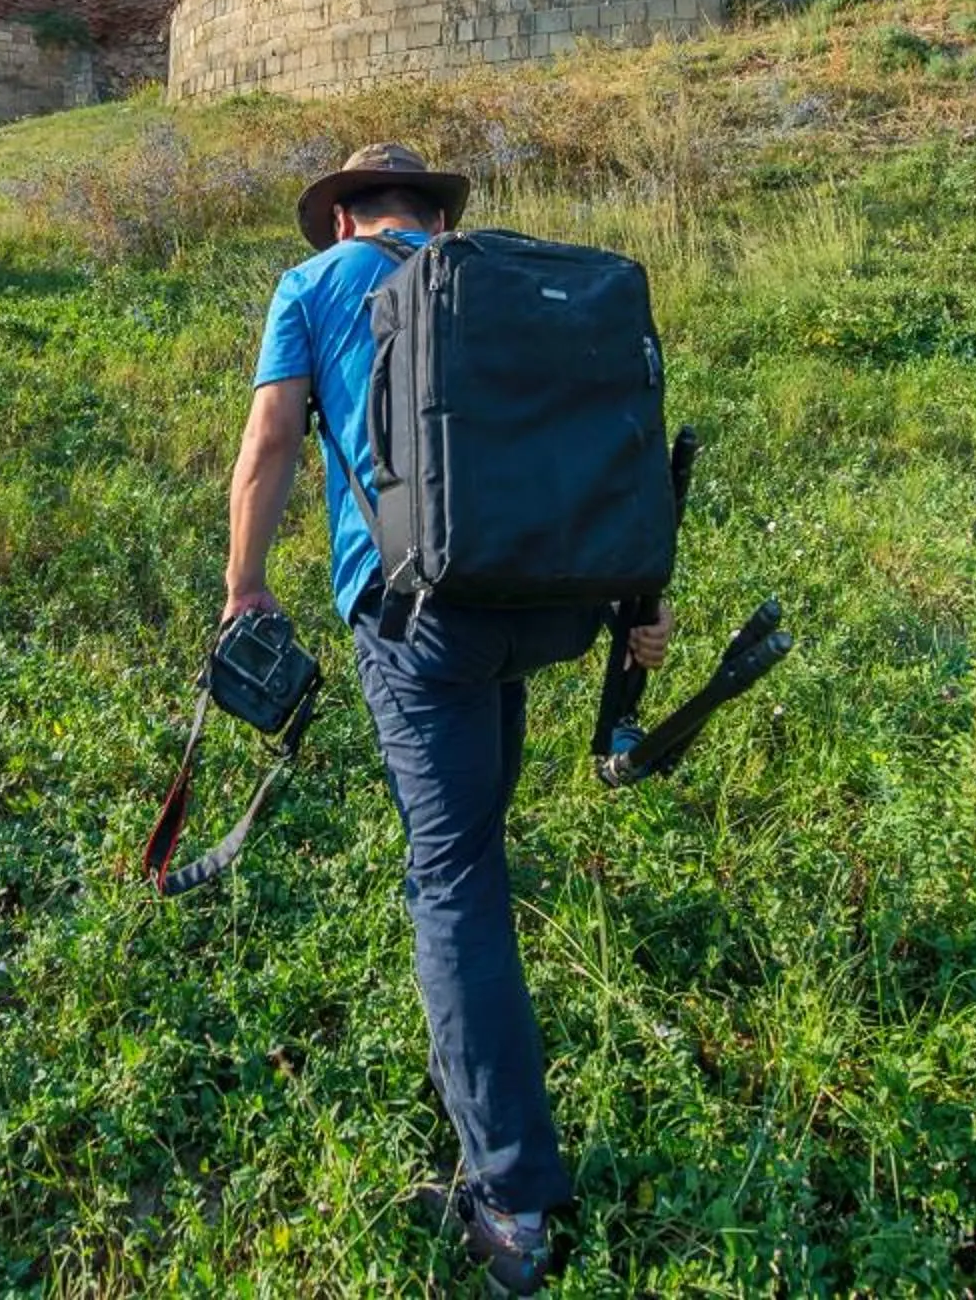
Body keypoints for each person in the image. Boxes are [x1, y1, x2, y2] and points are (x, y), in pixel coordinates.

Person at [221, 141, 671, 1295]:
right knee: (476, 840)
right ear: (427, 212)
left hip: (417, 613)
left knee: (453, 878)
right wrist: (638, 604)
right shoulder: (499, 275)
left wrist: (245, 590)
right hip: (549, 601)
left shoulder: (315, 285)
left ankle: (513, 1201)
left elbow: (274, 438)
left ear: (342, 219)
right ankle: (484, 1077)